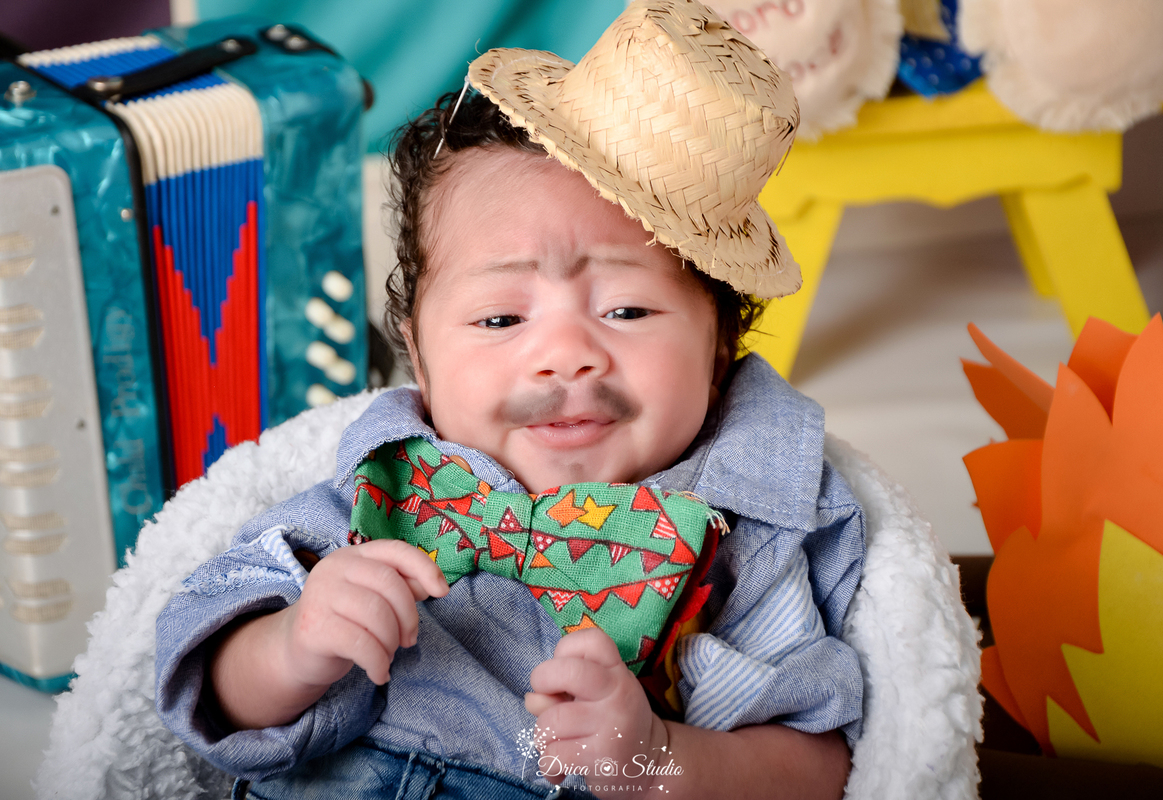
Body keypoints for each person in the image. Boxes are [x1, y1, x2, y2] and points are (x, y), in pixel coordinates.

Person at [156, 2, 865, 798]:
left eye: (626, 310)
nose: (565, 354)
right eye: (500, 318)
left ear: (719, 352)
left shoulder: (746, 539)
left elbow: (821, 766)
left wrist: (659, 758)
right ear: (418, 355)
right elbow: (209, 692)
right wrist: (293, 645)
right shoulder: (378, 492)